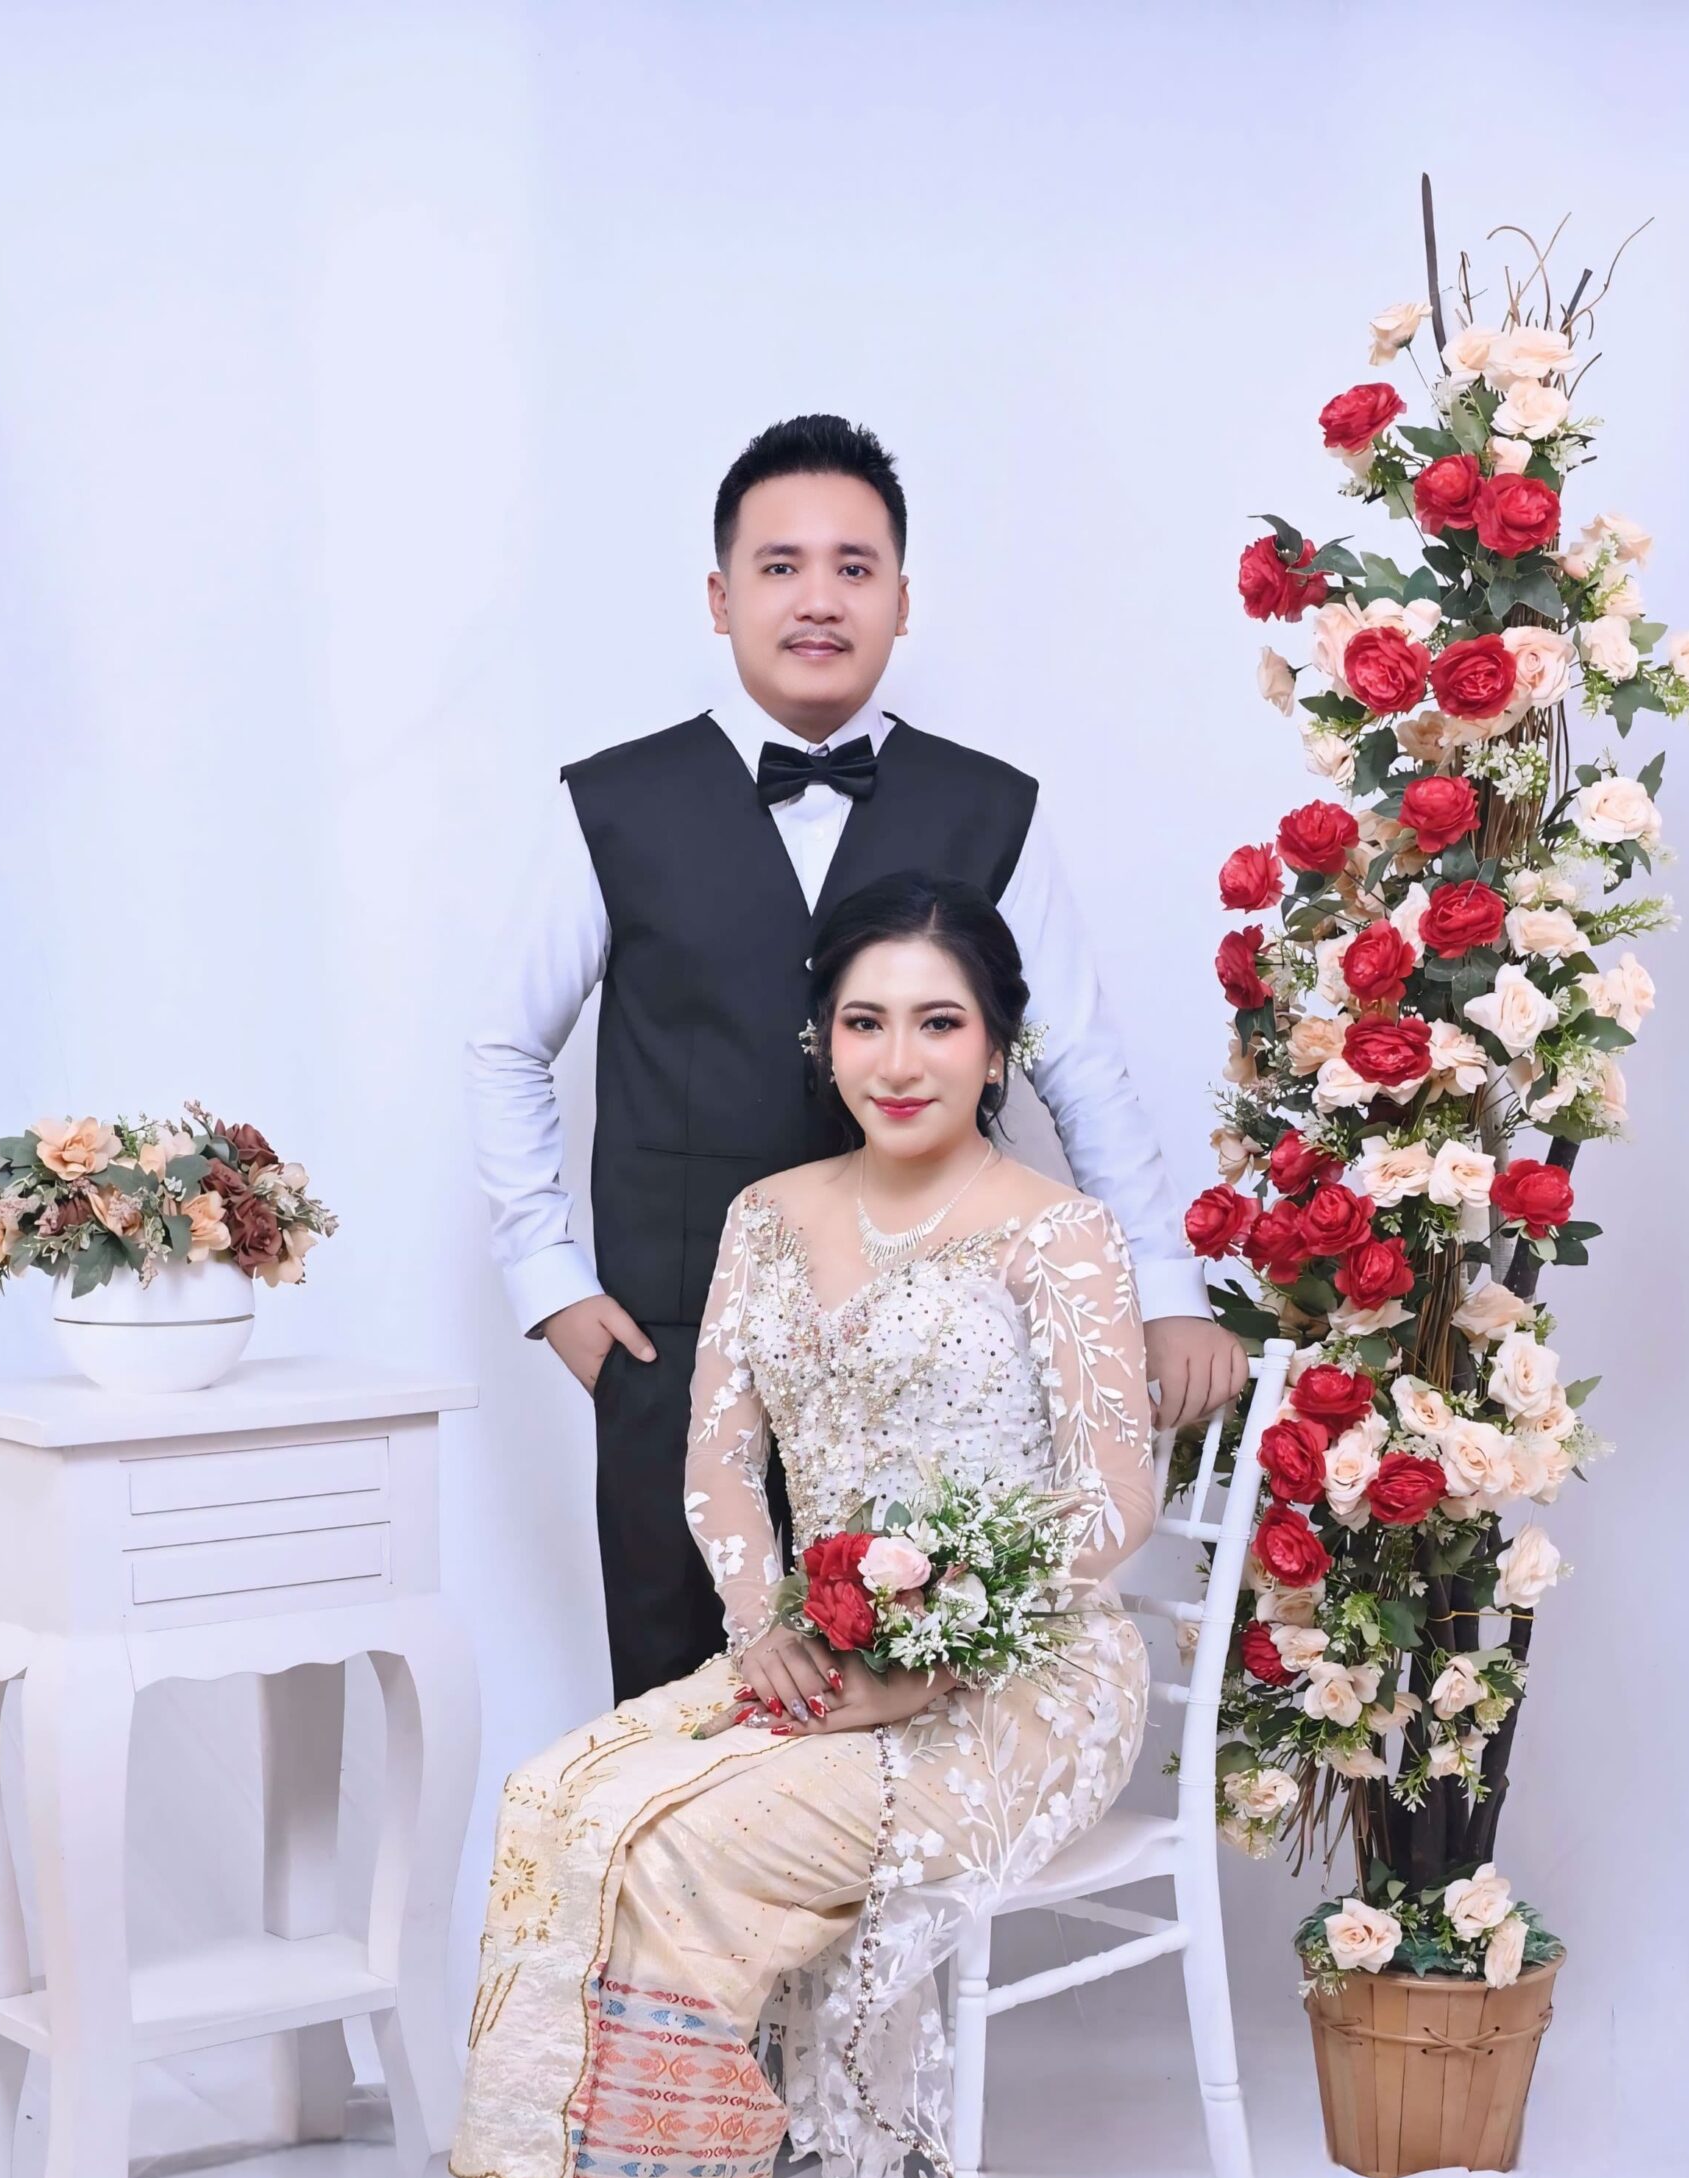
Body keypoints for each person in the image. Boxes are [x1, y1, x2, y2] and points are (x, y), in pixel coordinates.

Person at [354, 876, 1166, 2178]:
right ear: (820, 1041)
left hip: (1025, 1680)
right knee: (563, 1796)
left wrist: (935, 1649)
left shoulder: (1057, 1234)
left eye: (939, 1022)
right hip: (819, 1647)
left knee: (681, 1847)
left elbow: (1112, 1503)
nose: (899, 1058)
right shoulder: (768, 1214)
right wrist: (767, 1622)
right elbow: (722, 1460)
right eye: (865, 1021)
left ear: (997, 1045)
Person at [463, 412, 1243, 1704]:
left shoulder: (992, 807)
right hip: (674, 1350)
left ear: (901, 599)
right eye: (780, 566)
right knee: (681, 1716)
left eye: (854, 567)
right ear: (721, 599)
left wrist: (1164, 1287)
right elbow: (505, 1043)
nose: (818, 599)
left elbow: (1080, 1061)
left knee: (910, 1715)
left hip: (928, 1373)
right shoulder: (610, 803)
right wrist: (551, 1282)